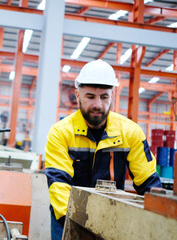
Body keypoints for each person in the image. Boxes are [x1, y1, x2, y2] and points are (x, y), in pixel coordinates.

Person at [45, 59, 161, 240]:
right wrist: (76, 225)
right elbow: (59, 185)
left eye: (104, 97)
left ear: (112, 96)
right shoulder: (61, 133)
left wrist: (160, 220)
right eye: (90, 96)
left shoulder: (131, 132)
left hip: (112, 217)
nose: (98, 104)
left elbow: (148, 182)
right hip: (67, 216)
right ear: (77, 95)